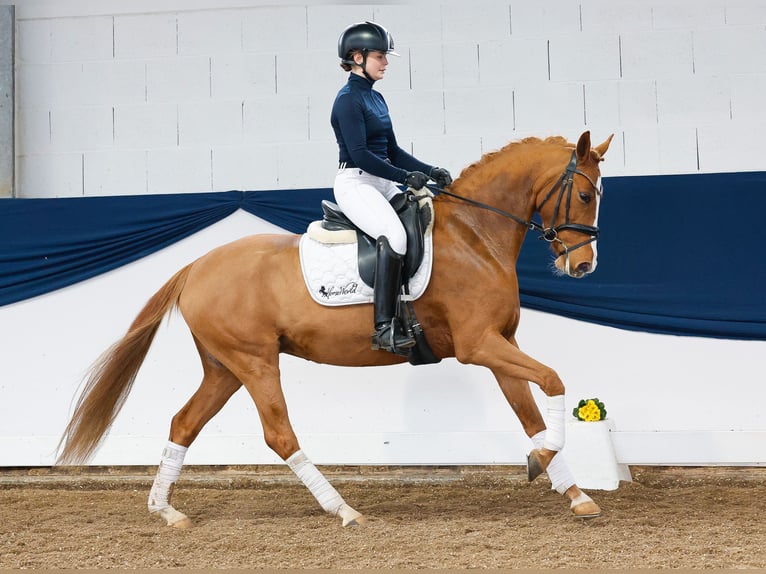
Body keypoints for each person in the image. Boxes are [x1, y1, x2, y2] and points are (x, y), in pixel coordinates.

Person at [331, 21, 452, 354]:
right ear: (357, 57)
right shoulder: (347, 101)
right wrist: (404, 177)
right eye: (380, 56)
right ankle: (383, 327)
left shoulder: (377, 98)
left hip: (382, 180)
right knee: (395, 237)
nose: (386, 62)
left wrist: (429, 170)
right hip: (356, 182)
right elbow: (361, 155)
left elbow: (392, 150)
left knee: (425, 224)